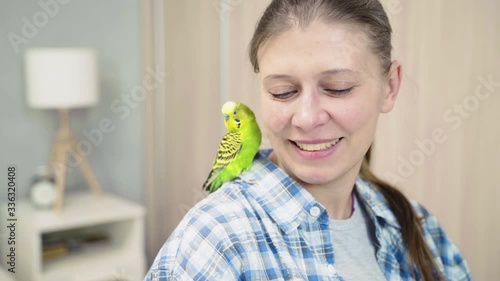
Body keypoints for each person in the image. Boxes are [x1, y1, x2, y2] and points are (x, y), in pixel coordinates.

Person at [144, 0, 472, 280]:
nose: (306, 117)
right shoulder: (216, 241)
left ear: (390, 87)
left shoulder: (416, 226)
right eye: (282, 92)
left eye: (338, 87)